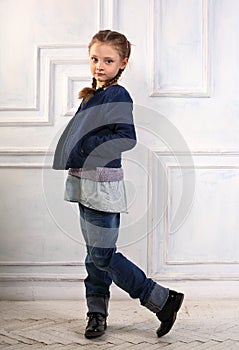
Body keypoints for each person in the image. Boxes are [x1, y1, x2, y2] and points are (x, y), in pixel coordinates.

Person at [53, 29, 184, 339]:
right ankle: (96, 313)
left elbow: (125, 138)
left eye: (108, 60)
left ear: (123, 63)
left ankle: (162, 299)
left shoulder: (117, 94)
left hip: (102, 187)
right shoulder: (95, 95)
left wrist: (84, 146)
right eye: (95, 58)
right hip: (85, 183)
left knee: (102, 254)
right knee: (93, 255)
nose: (100, 65)